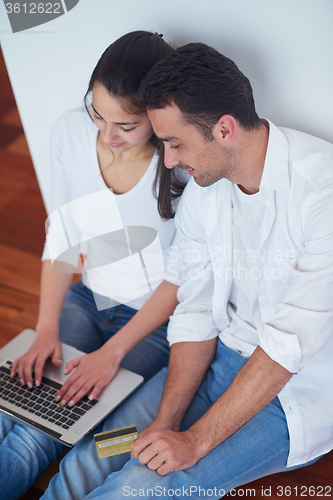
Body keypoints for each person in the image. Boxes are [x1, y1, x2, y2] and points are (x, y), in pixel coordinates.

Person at [41, 42, 333, 499]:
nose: (170, 161)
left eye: (175, 143)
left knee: (136, 487)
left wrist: (193, 440)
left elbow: (288, 346)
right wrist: (165, 420)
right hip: (214, 363)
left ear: (224, 128)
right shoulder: (205, 188)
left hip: (290, 395)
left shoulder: (323, 191)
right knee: (91, 457)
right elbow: (194, 309)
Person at [0, 31, 188, 500]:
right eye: (97, 114)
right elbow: (62, 237)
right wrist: (45, 329)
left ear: (158, 117)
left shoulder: (183, 165)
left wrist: (114, 353)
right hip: (88, 296)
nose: (106, 135)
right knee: (12, 408)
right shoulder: (68, 131)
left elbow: (183, 278)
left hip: (154, 324)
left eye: (125, 125)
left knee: (41, 432)